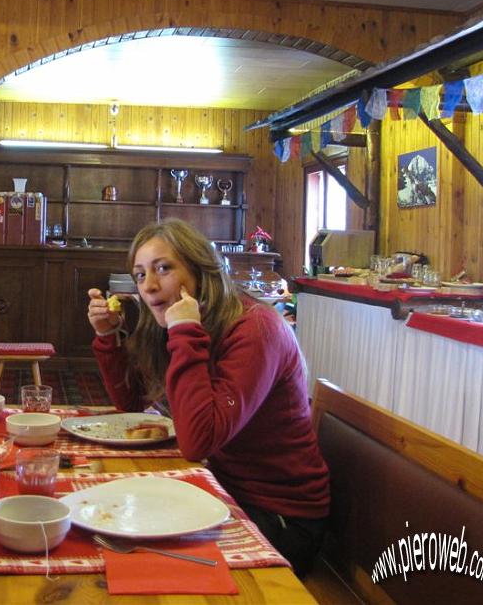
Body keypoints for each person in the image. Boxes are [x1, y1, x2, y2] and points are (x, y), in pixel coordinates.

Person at [87, 219, 329, 577]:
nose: (149, 286)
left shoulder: (255, 329)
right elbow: (131, 406)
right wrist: (109, 337)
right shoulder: (178, 322)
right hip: (221, 487)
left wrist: (185, 332)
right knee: (108, 521)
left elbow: (199, 440)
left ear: (201, 271)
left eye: (163, 269)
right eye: (140, 275)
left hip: (280, 518)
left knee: (140, 562)